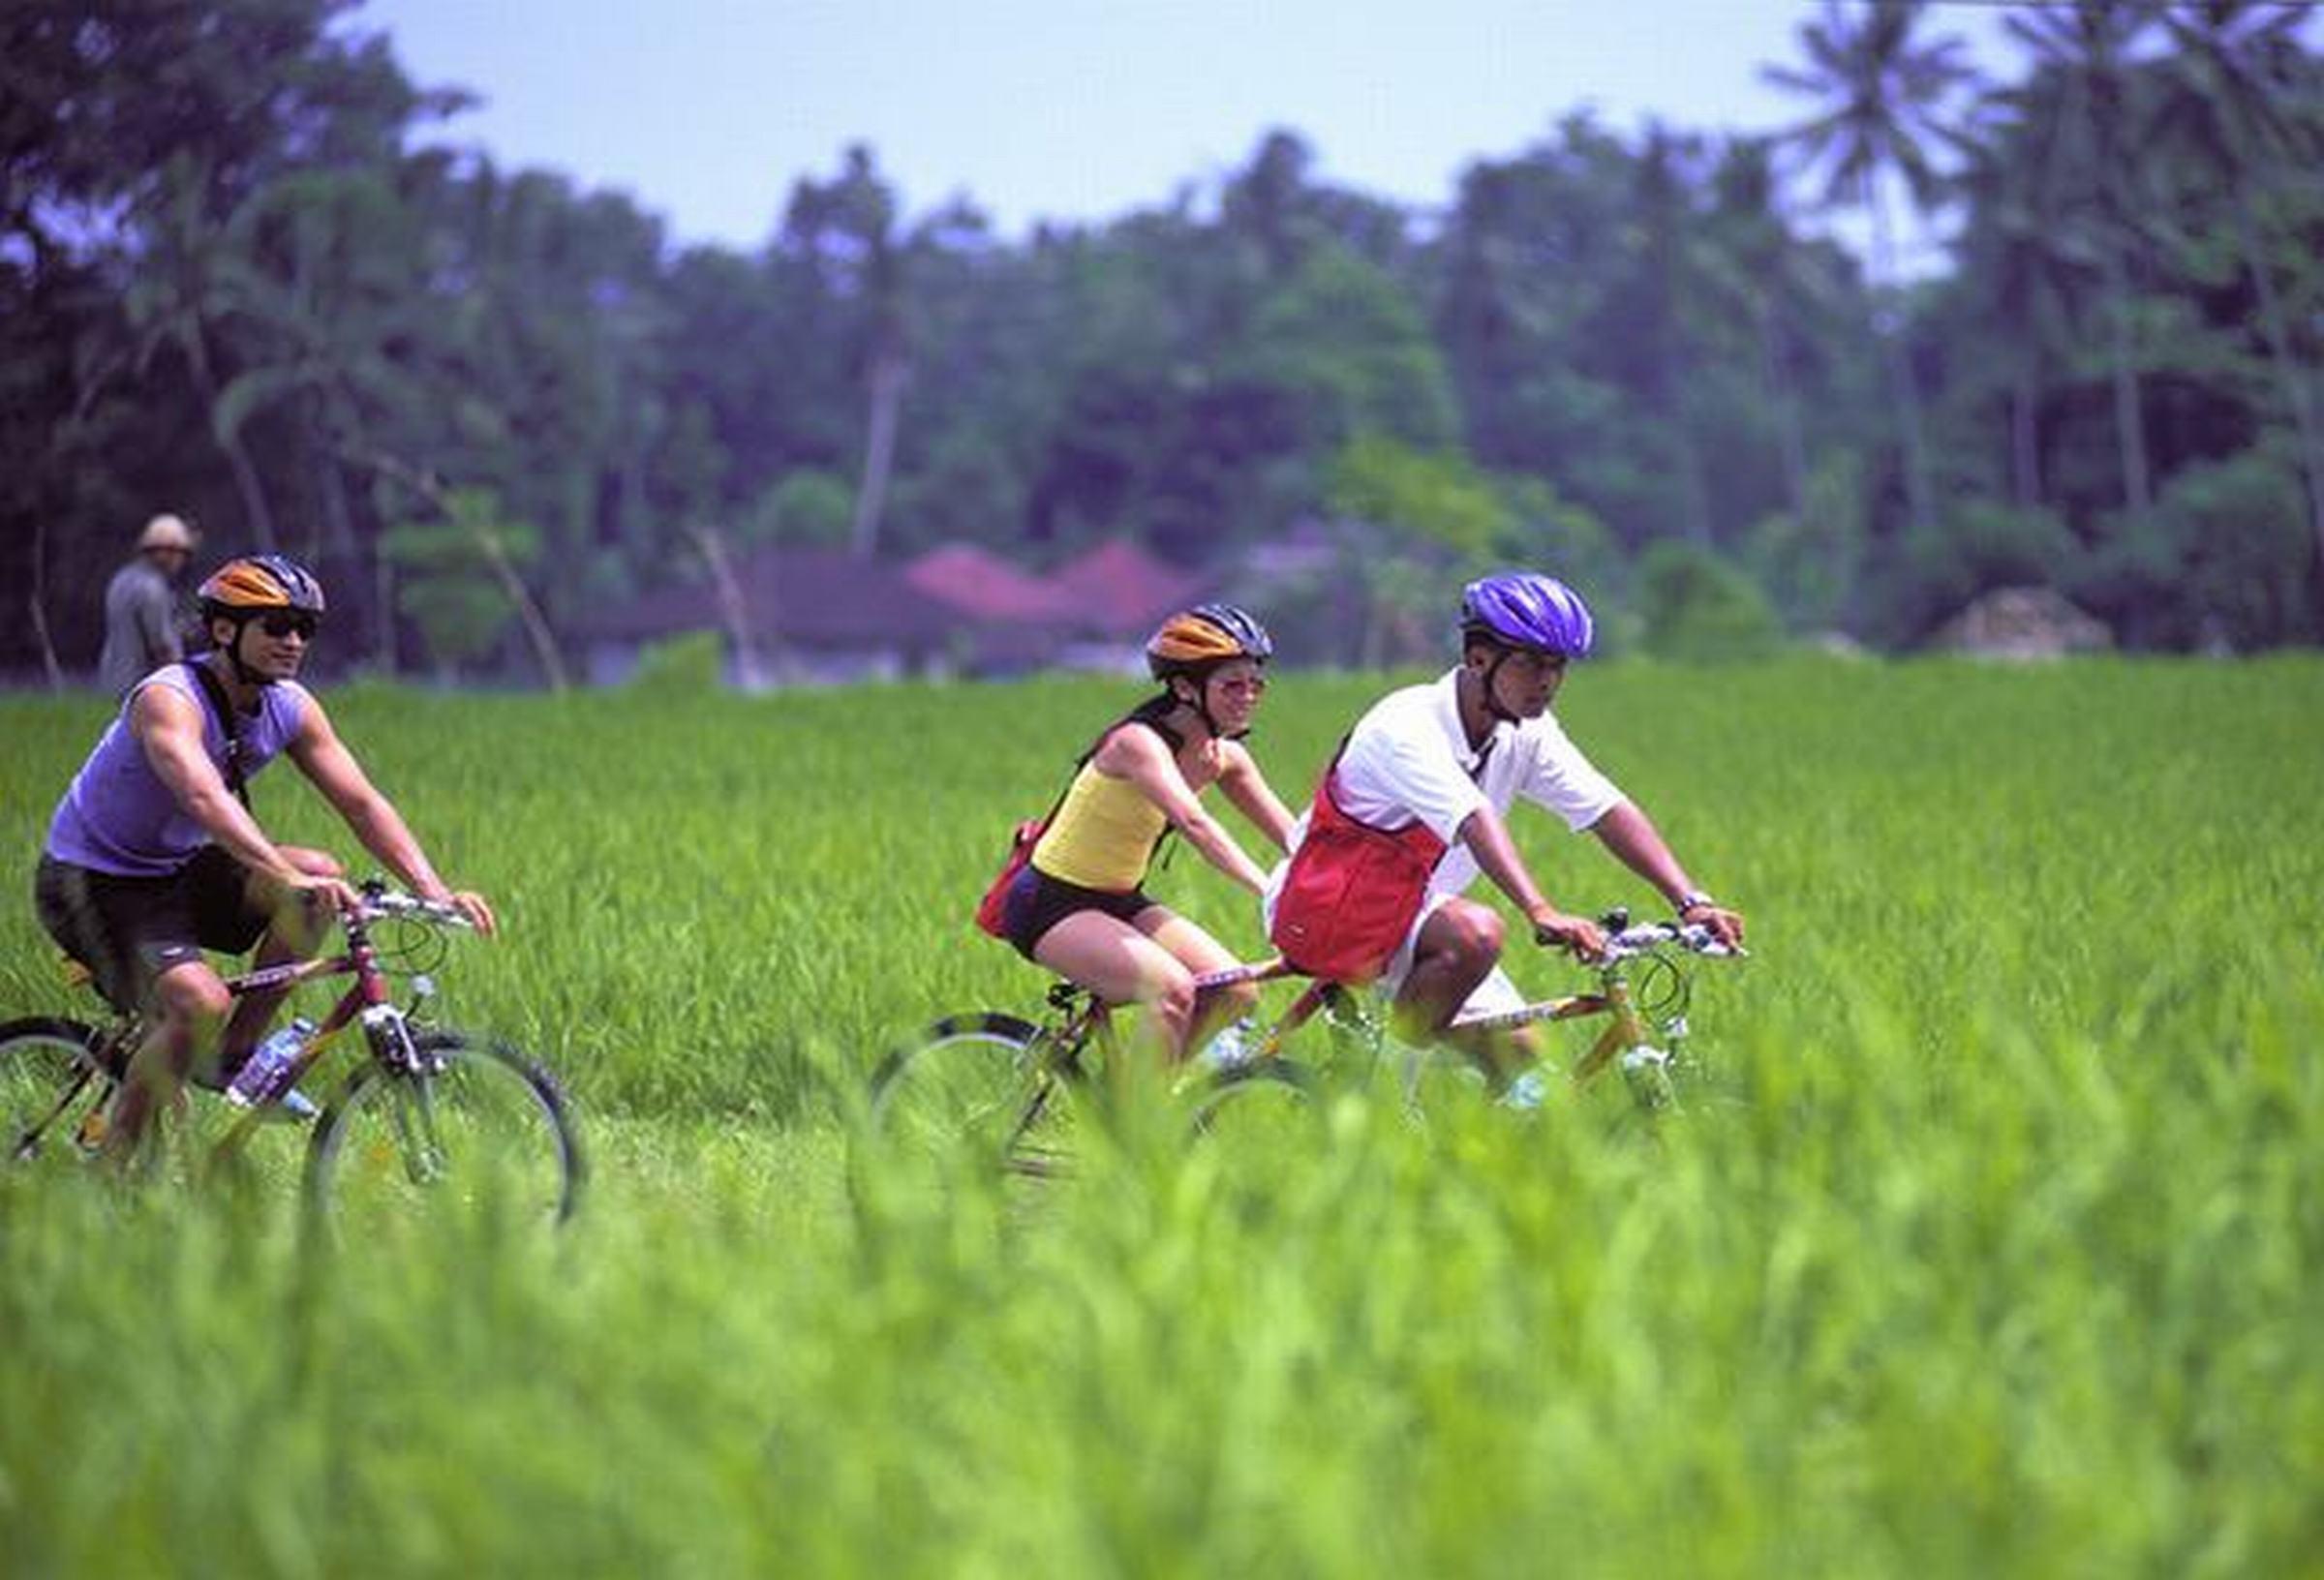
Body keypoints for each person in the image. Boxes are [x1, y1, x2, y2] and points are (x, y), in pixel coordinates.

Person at [34, 553, 496, 1162]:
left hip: (177, 870)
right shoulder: (168, 700)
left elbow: (361, 803)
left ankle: (232, 1057)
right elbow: (201, 796)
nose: (295, 640)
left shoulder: (290, 706)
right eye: (276, 624)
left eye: (306, 627)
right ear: (225, 629)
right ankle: (115, 1172)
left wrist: (434, 890)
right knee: (200, 1003)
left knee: (320, 877)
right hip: (93, 882)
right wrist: (281, 870)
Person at [1267, 570, 1745, 1087]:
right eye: (1530, 663)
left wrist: (1690, 900)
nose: (1546, 681)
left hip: (1417, 920)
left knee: (1526, 1073)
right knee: (1478, 933)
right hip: (1328, 907)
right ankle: (1382, 1100)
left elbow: (1604, 807)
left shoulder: (1526, 732)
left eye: (1557, 666)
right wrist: (1539, 910)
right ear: (1477, 658)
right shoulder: (1404, 726)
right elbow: (1472, 817)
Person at [985, 604, 1296, 1064]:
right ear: (1186, 688)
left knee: (1237, 991)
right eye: (1233, 685)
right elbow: (1196, 825)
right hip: (1049, 904)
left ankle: (1157, 1102)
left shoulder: (1224, 756)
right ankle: (1136, 1128)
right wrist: (1269, 888)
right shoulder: (1137, 744)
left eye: (1256, 684)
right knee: (1173, 991)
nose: (1248, 696)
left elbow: (1299, 839)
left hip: (1118, 901)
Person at [98, 513, 199, 697]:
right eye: (181, 553)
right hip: (142, 687)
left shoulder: (122, 579)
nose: (181, 560)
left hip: (115, 681)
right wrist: (180, 687)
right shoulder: (152, 588)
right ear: (167, 552)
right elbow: (162, 646)